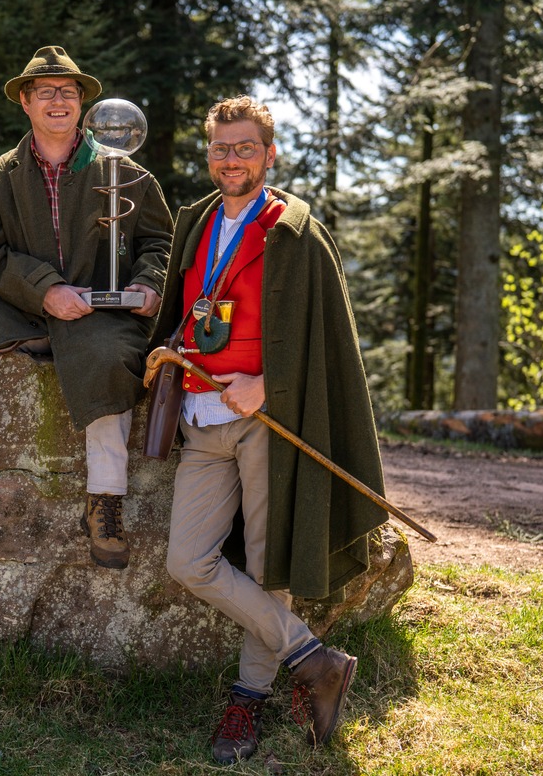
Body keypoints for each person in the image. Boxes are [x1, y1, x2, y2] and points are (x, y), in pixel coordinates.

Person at [150, 96, 388, 762]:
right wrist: (166, 346)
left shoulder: (294, 231)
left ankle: (246, 704)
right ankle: (314, 661)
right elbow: (187, 308)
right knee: (187, 560)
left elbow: (323, 341)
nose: (232, 159)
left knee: (266, 565)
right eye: (222, 148)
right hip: (201, 419)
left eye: (245, 147)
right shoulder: (194, 220)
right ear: (211, 154)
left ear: (269, 153)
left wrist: (269, 387)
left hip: (266, 427)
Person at [0, 46, 173, 570]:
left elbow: (160, 245)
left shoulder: (128, 174)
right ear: (25, 103)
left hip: (103, 308)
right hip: (21, 303)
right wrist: (46, 290)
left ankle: (105, 501)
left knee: (110, 360)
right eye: (45, 92)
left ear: (82, 104)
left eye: (68, 92)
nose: (58, 100)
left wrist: (148, 285)